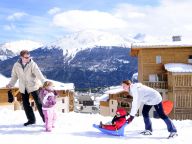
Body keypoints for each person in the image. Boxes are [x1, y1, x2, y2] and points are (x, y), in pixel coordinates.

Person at [6, 50, 46, 126]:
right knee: (25, 104)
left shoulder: (32, 64)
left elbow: (39, 73)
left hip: (33, 86)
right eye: (26, 57)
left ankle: (46, 119)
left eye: (29, 57)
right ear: (21, 57)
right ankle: (31, 120)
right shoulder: (16, 65)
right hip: (23, 87)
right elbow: (14, 76)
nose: (28, 58)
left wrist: (44, 82)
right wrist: (11, 84)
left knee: (39, 103)